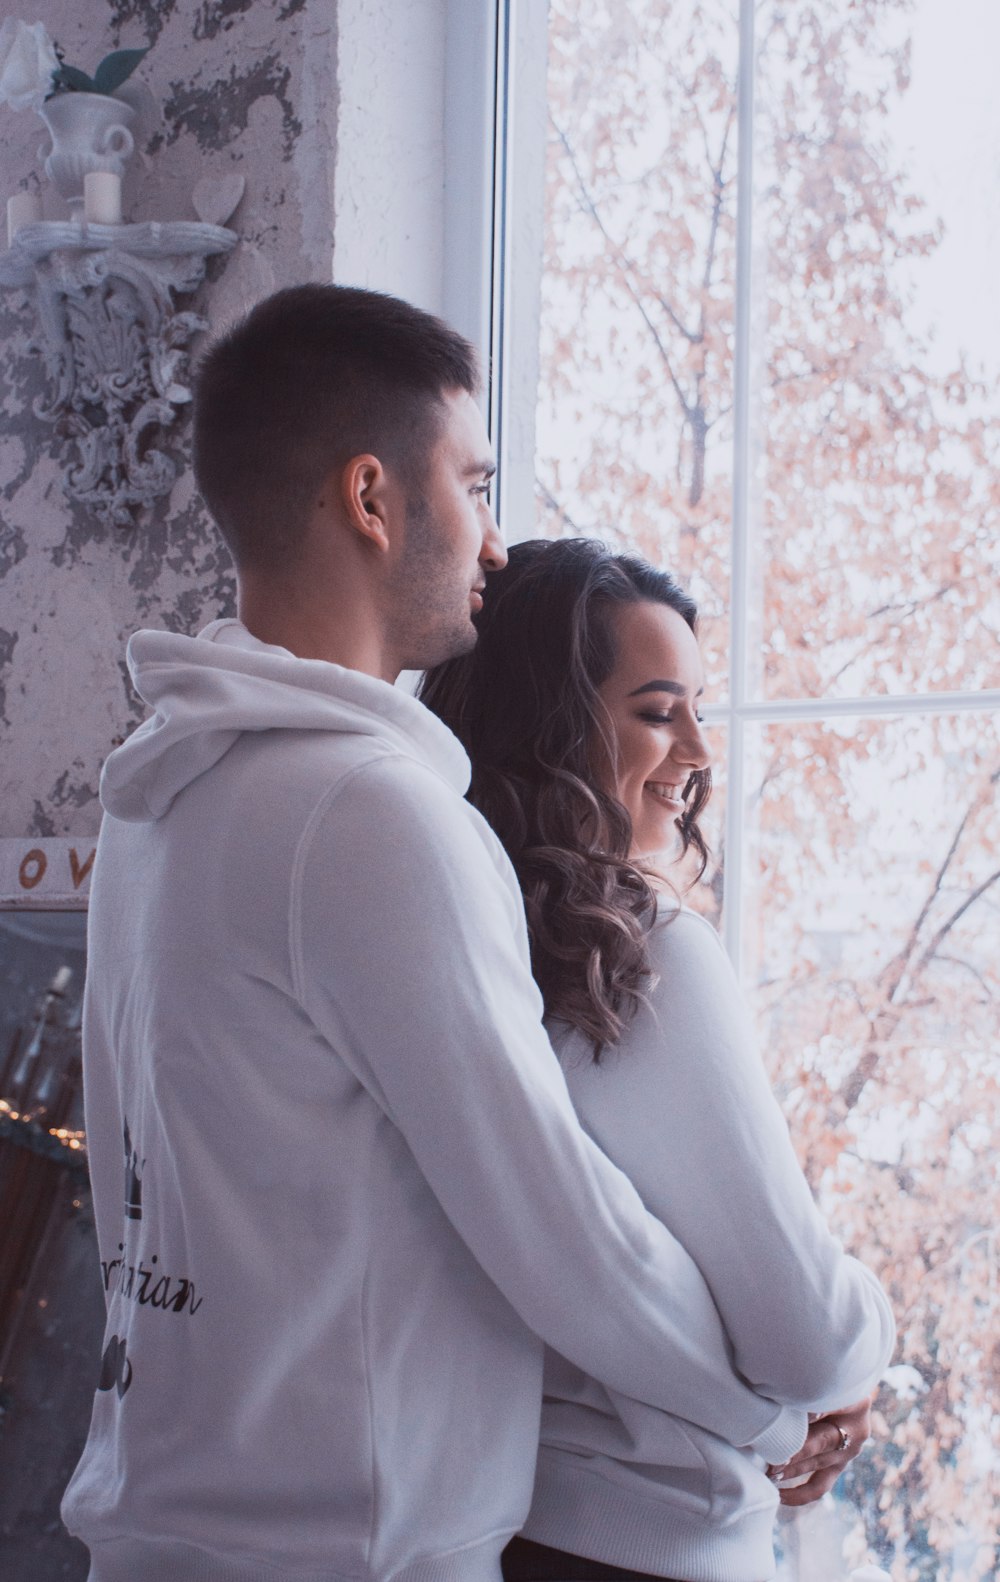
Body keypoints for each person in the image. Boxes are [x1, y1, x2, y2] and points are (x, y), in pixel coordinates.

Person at [61, 286, 836, 1582]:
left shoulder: (159, 789)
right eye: (473, 484)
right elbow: (557, 1228)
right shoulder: (367, 815)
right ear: (373, 499)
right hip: (335, 1552)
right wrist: (767, 1411)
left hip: (159, 1526)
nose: (492, 541)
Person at [420, 537, 896, 1582]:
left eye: (693, 709)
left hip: (515, 1520)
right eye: (654, 710)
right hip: (658, 1542)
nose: (696, 750)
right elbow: (806, 1336)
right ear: (548, 725)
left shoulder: (461, 940)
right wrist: (870, 1344)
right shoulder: (635, 956)